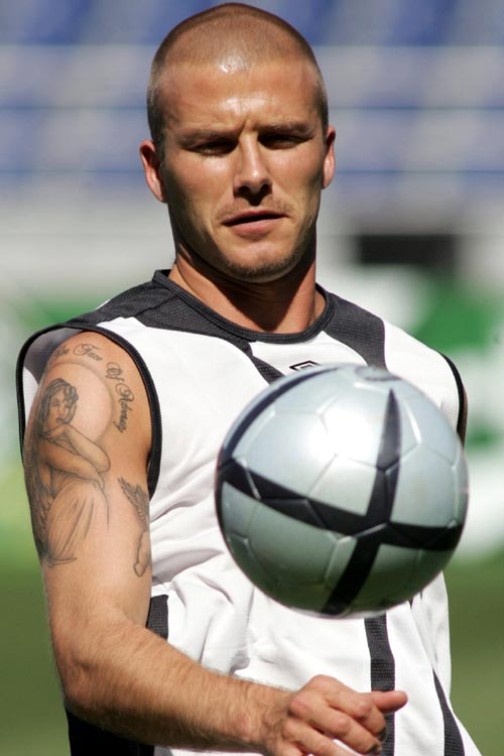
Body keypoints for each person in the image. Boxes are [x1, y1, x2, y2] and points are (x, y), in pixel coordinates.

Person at [17, 3, 479, 755]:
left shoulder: (416, 376)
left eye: (282, 138)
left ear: (326, 153)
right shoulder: (107, 375)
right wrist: (264, 719)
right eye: (212, 145)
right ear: (156, 169)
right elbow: (90, 653)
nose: (253, 175)